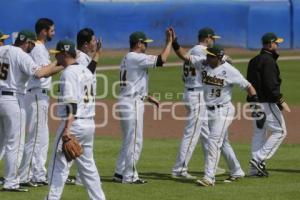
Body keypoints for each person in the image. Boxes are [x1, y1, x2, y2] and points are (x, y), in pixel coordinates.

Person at [171, 29, 257, 186]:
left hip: (224, 110)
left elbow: (248, 86)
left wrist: (255, 104)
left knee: (213, 141)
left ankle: (208, 178)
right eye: (207, 55)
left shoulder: (229, 71)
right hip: (209, 110)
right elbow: (184, 56)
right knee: (223, 142)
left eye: (211, 56)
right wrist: (175, 42)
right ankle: (237, 170)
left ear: (218, 58)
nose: (207, 58)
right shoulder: (203, 64)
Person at [0, 30, 63, 192]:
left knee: (1, 142)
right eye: (31, 44)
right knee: (16, 143)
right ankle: (11, 182)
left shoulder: (1, 50)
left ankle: (10, 179)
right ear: (26, 42)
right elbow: (40, 73)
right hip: (13, 101)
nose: (32, 47)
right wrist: (61, 63)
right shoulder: (21, 55)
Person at [45, 39, 106, 200]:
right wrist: (97, 54)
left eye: (57, 54)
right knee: (88, 168)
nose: (55, 58)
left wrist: (67, 129)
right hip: (88, 125)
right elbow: (91, 68)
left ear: (64, 54)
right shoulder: (86, 71)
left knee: (58, 167)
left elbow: (71, 103)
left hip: (74, 124)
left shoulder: (68, 73)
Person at [113, 29, 173, 184]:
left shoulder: (127, 57)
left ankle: (120, 172)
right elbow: (162, 60)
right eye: (145, 43)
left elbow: (134, 82)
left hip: (127, 100)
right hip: (132, 103)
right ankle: (130, 176)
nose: (146, 45)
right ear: (139, 43)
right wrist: (169, 42)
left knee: (128, 140)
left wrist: (147, 97)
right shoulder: (136, 57)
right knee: (135, 140)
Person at [172, 27, 226, 179]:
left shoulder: (191, 51)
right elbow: (224, 59)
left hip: (191, 91)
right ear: (207, 38)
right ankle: (179, 169)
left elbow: (184, 75)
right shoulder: (202, 51)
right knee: (192, 134)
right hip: (196, 94)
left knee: (205, 133)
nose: (214, 41)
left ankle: (212, 166)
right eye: (213, 39)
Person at [18, 18, 55, 187]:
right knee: (34, 138)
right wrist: (64, 63)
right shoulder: (38, 49)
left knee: (42, 138)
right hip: (36, 95)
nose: (53, 33)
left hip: (39, 96)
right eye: (51, 30)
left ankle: (38, 174)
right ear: (43, 31)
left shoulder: (40, 48)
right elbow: (42, 73)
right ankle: (25, 175)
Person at [247, 32, 289, 177]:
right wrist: (281, 101)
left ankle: (254, 170)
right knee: (280, 132)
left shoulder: (253, 60)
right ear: (270, 44)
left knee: (259, 133)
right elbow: (271, 86)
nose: (278, 45)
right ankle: (258, 159)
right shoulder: (269, 61)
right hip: (267, 104)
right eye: (276, 43)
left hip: (254, 103)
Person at [65, 27, 101, 185]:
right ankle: (61, 179)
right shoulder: (80, 57)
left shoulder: (84, 57)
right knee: (67, 153)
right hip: (78, 114)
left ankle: (82, 179)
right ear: (85, 44)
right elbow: (86, 75)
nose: (95, 42)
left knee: (86, 153)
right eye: (93, 40)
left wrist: (95, 55)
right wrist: (98, 54)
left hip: (84, 114)